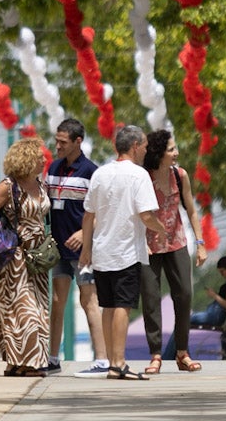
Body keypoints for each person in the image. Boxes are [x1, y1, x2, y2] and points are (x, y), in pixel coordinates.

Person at [79, 124, 166, 381]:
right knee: (123, 306)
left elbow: (88, 216)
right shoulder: (139, 175)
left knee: (107, 306)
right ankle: (118, 363)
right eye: (146, 147)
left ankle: (110, 362)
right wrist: (161, 230)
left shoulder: (101, 174)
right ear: (136, 146)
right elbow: (146, 215)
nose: (147, 151)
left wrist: (87, 248)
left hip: (102, 251)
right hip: (126, 252)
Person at [0, 139, 52, 377]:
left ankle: (16, 362)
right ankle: (29, 363)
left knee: (35, 307)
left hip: (38, 257)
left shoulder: (40, 185)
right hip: (14, 256)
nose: (44, 159)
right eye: (39, 156)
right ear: (26, 159)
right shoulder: (8, 186)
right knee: (23, 309)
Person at [44, 118, 109, 378]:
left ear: (77, 142)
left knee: (88, 300)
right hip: (58, 250)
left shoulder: (92, 172)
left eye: (62, 142)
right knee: (57, 302)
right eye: (56, 140)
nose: (57, 146)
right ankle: (52, 358)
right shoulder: (52, 168)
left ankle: (102, 359)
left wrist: (84, 234)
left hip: (83, 252)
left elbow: (102, 211)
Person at [139, 130, 207, 374]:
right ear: (159, 153)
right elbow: (137, 213)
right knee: (150, 298)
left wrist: (200, 243)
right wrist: (140, 240)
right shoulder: (143, 177)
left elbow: (191, 210)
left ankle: (182, 352)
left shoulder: (180, 175)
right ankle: (156, 354)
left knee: (185, 294)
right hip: (148, 246)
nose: (176, 153)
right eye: (171, 149)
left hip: (177, 242)